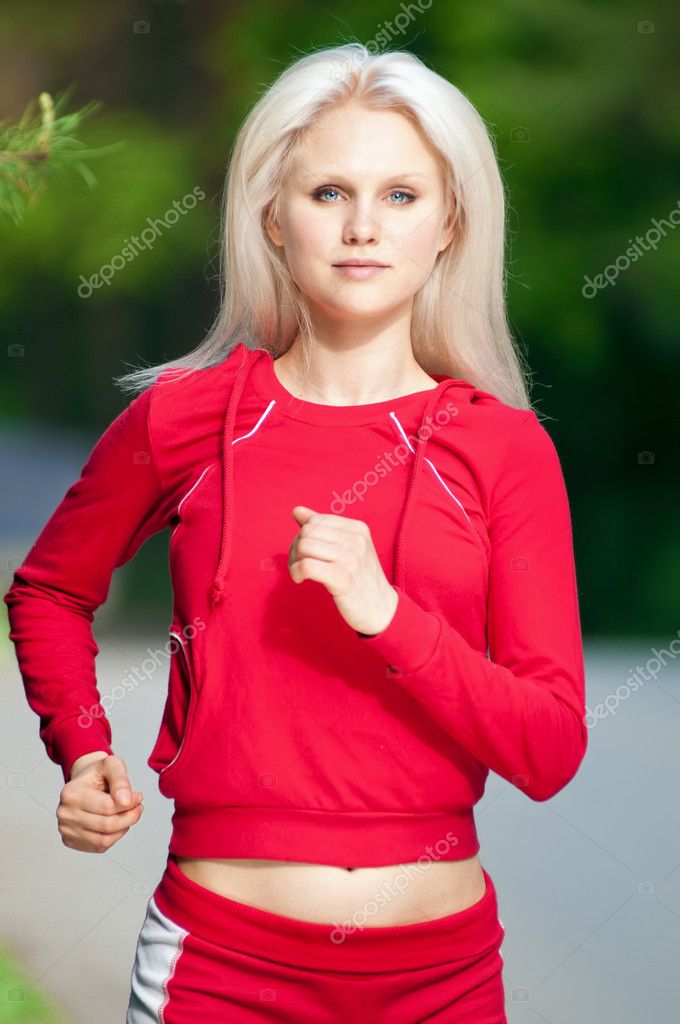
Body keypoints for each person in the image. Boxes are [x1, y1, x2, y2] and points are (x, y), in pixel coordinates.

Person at [4, 42, 588, 1023]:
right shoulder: (184, 420)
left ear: (451, 221)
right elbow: (49, 589)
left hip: (438, 979)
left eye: (400, 195)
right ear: (270, 216)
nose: (362, 227)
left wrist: (387, 616)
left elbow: (548, 748)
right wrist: (83, 744)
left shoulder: (503, 447)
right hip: (221, 968)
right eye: (327, 191)